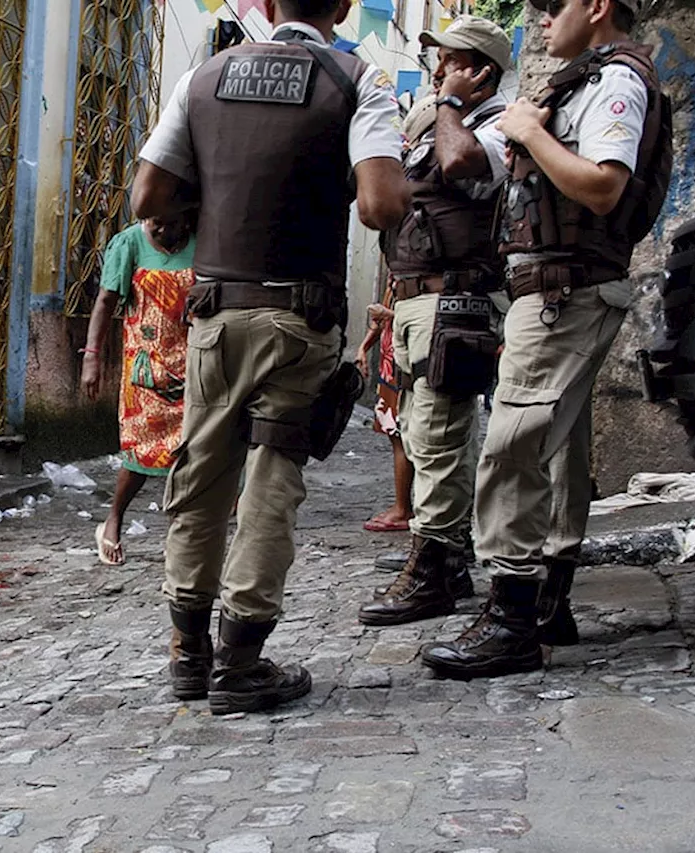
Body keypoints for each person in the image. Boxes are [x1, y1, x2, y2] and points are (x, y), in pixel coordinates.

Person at [131, 0, 407, 714]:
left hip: (215, 317)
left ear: (268, 4)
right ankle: (241, 663)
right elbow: (380, 204)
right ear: (343, 6)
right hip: (299, 319)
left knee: (202, 475)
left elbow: (147, 195)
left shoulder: (203, 78)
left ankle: (187, 655)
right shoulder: (356, 80)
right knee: (271, 483)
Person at [422, 0, 672, 678]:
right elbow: (471, 167)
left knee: (512, 445)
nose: (539, 21)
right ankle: (544, 602)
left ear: (595, 8)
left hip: (567, 292)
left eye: (551, 7)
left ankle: (509, 619)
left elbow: (601, 188)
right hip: (547, 290)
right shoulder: (573, 86)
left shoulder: (616, 82)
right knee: (552, 447)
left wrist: (531, 132)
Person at [357, 15, 513, 627]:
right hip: (421, 302)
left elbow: (461, 167)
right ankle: (448, 562)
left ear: (481, 71)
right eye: (439, 60)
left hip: (458, 301)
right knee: (422, 438)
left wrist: (449, 104)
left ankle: (430, 572)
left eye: (450, 61)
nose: (438, 70)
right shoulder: (436, 122)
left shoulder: (494, 124)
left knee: (442, 437)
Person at [80, 212, 197, 565]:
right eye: (154, 221)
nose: (161, 227)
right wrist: (91, 357)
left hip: (192, 368)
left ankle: (179, 536)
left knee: (190, 455)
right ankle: (113, 519)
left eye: (171, 220)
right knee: (140, 454)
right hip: (144, 372)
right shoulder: (128, 243)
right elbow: (105, 302)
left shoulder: (203, 244)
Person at [355, 280, 413, 533]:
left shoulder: (416, 274)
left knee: (403, 436)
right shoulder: (397, 275)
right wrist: (364, 347)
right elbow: (381, 319)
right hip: (390, 363)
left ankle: (403, 508)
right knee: (395, 435)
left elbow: (424, 315)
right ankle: (402, 505)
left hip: (405, 361)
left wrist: (388, 315)